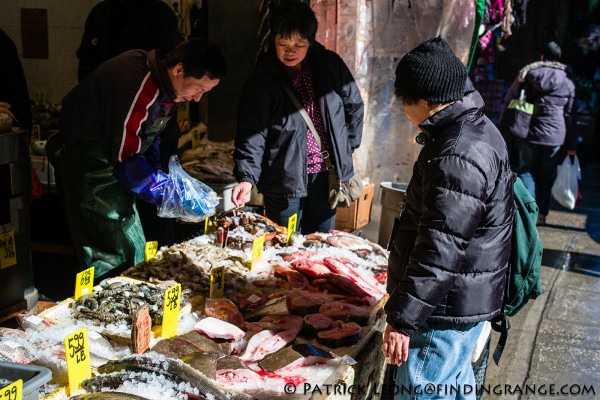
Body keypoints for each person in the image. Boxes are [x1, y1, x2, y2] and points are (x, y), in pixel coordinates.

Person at [382, 37, 514, 399]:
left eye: (403, 102)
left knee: (428, 388)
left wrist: (403, 320)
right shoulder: (477, 127)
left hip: (441, 311)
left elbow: (439, 251)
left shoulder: (455, 154)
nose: (402, 111)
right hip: (462, 300)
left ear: (425, 101)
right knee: (454, 386)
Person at [49, 38, 226, 279]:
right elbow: (127, 160)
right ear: (179, 70)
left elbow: (146, 139)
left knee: (133, 246)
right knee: (111, 253)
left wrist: (165, 177)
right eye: (199, 89)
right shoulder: (140, 85)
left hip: (112, 168)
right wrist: (170, 194)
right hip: (91, 170)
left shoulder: (164, 84)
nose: (197, 99)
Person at [231, 0, 364, 234]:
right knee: (283, 247)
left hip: (326, 176)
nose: (290, 51)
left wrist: (347, 147)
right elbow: (252, 134)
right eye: (283, 43)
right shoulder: (262, 80)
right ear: (274, 41)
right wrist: (246, 177)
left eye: (299, 44)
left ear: (311, 42)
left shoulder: (329, 66)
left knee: (320, 246)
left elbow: (354, 106)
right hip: (283, 180)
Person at [77, 0, 183, 248]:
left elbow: (168, 73)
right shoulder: (100, 13)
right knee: (111, 212)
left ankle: (158, 267)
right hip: (106, 129)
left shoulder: (160, 14)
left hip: (156, 129)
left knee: (154, 209)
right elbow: (86, 63)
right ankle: (122, 273)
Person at [501, 41, 577, 226]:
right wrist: (572, 145)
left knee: (526, 171)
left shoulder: (528, 75)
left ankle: (528, 210)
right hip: (555, 138)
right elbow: (570, 115)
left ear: (542, 57)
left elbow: (509, 98)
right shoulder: (567, 83)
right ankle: (542, 213)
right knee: (546, 175)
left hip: (529, 132)